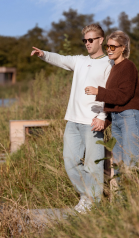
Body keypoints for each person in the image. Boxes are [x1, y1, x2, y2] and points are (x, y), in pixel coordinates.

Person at [31, 24, 112, 213]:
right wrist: (44, 54)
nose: (87, 43)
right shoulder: (80, 61)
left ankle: (94, 204)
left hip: (93, 122)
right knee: (70, 162)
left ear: (101, 40)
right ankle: (89, 196)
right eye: (85, 40)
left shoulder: (109, 63)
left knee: (93, 166)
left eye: (91, 40)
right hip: (73, 121)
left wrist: (102, 116)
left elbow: (111, 93)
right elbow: (61, 59)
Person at [85, 30, 139, 171]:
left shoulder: (128, 66)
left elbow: (124, 95)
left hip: (130, 117)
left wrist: (98, 91)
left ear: (123, 48)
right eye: (107, 46)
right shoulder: (113, 68)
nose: (109, 50)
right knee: (119, 165)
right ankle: (122, 193)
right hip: (117, 119)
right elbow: (114, 100)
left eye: (113, 47)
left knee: (133, 162)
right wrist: (105, 121)